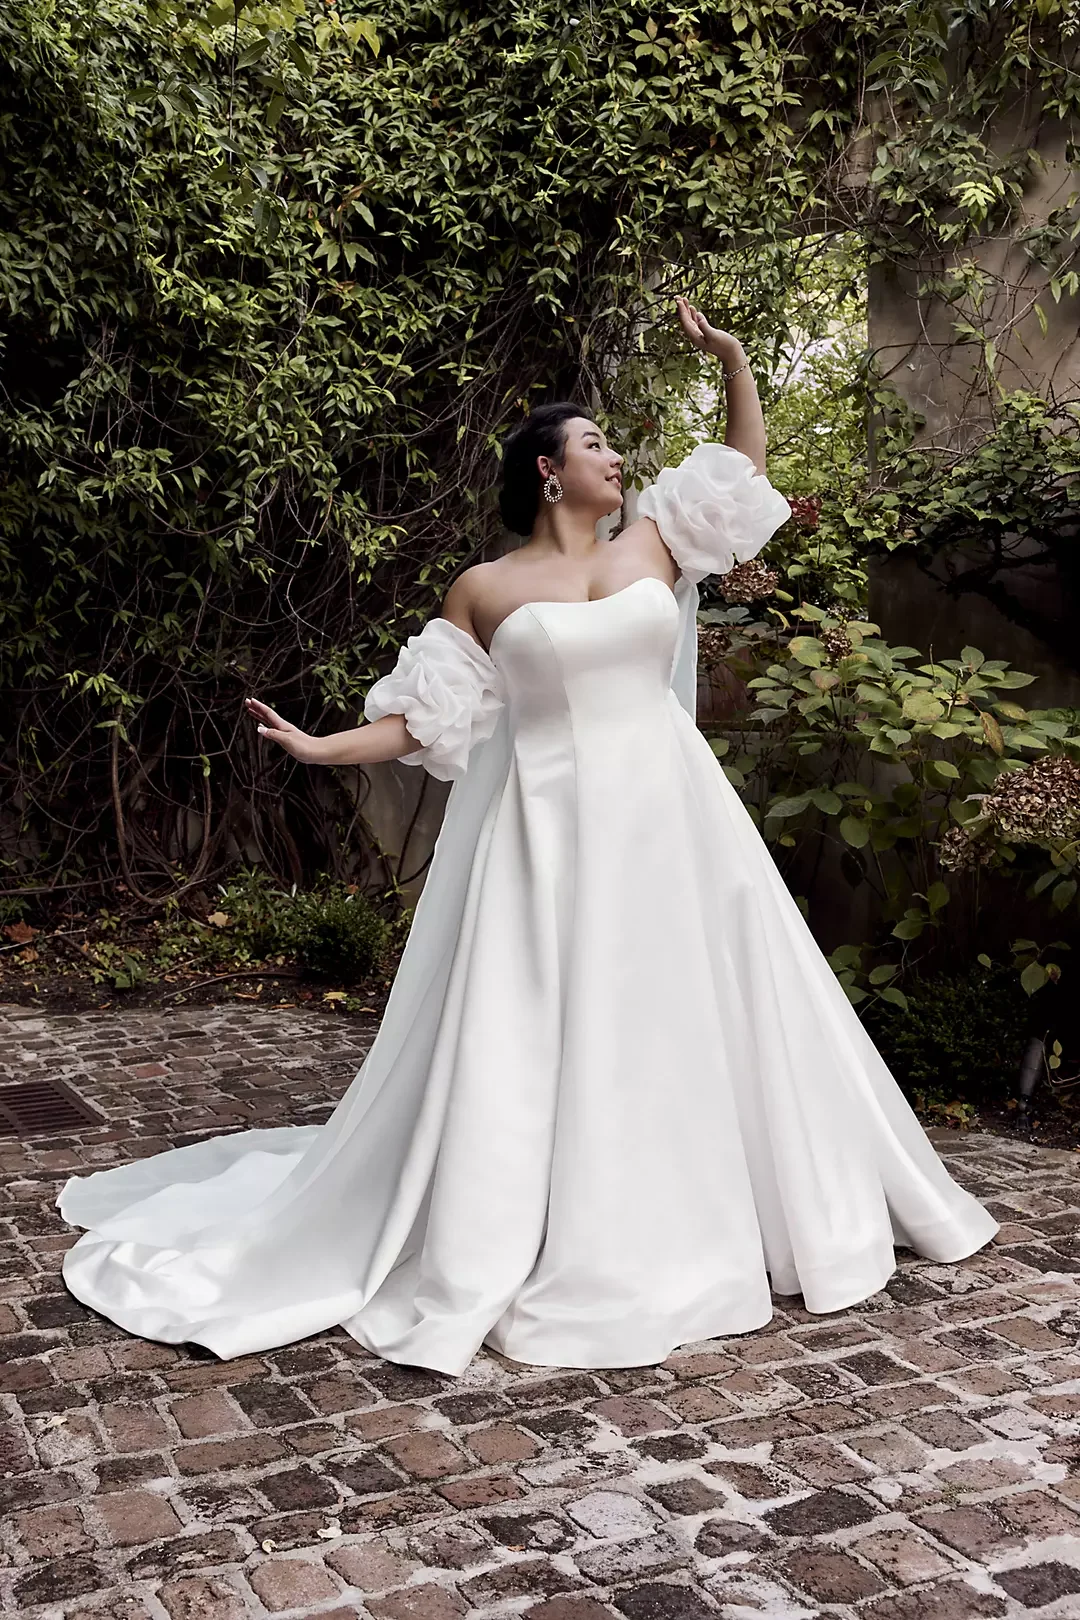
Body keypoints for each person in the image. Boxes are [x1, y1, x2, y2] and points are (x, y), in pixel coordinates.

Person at [57, 299, 997, 1376]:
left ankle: (726, 1204)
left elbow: (743, 464)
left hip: (673, 818)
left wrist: (733, 358)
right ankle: (546, 1218)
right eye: (593, 443)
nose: (615, 455)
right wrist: (319, 748)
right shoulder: (487, 589)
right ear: (549, 472)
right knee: (549, 1020)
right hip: (549, 828)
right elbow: (428, 720)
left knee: (700, 1006)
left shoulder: (655, 542)